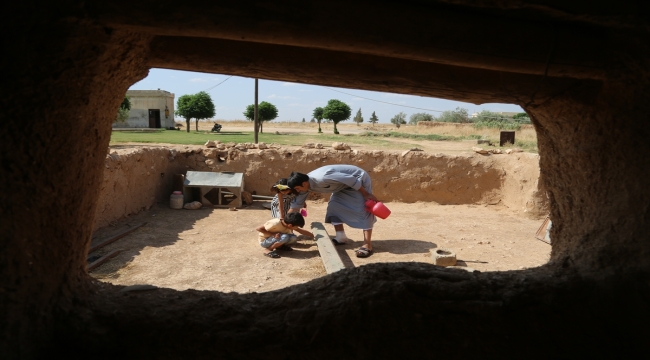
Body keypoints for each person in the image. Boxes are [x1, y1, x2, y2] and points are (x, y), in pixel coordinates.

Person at [287, 165, 379, 258]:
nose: (297, 191)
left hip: (358, 179)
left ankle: (367, 244)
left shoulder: (323, 177)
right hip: (342, 186)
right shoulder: (304, 186)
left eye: (297, 188)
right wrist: (284, 222)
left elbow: (351, 179)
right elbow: (295, 206)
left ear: (304, 184)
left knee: (363, 210)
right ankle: (341, 237)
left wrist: (366, 194)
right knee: (333, 207)